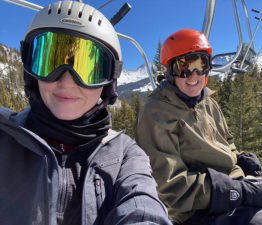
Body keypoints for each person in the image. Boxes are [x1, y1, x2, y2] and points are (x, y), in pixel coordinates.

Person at [0, 1, 172, 225]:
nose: (67, 81)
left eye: (88, 69)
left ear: (108, 82)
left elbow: (142, 206)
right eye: (51, 61)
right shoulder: (5, 136)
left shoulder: (125, 156)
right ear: (31, 73)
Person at [135, 29, 262, 225]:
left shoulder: (207, 103)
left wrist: (242, 161)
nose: (193, 75)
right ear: (170, 70)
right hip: (199, 211)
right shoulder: (156, 114)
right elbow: (170, 188)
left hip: (237, 186)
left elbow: (227, 143)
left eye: (200, 64)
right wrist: (240, 193)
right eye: (184, 67)